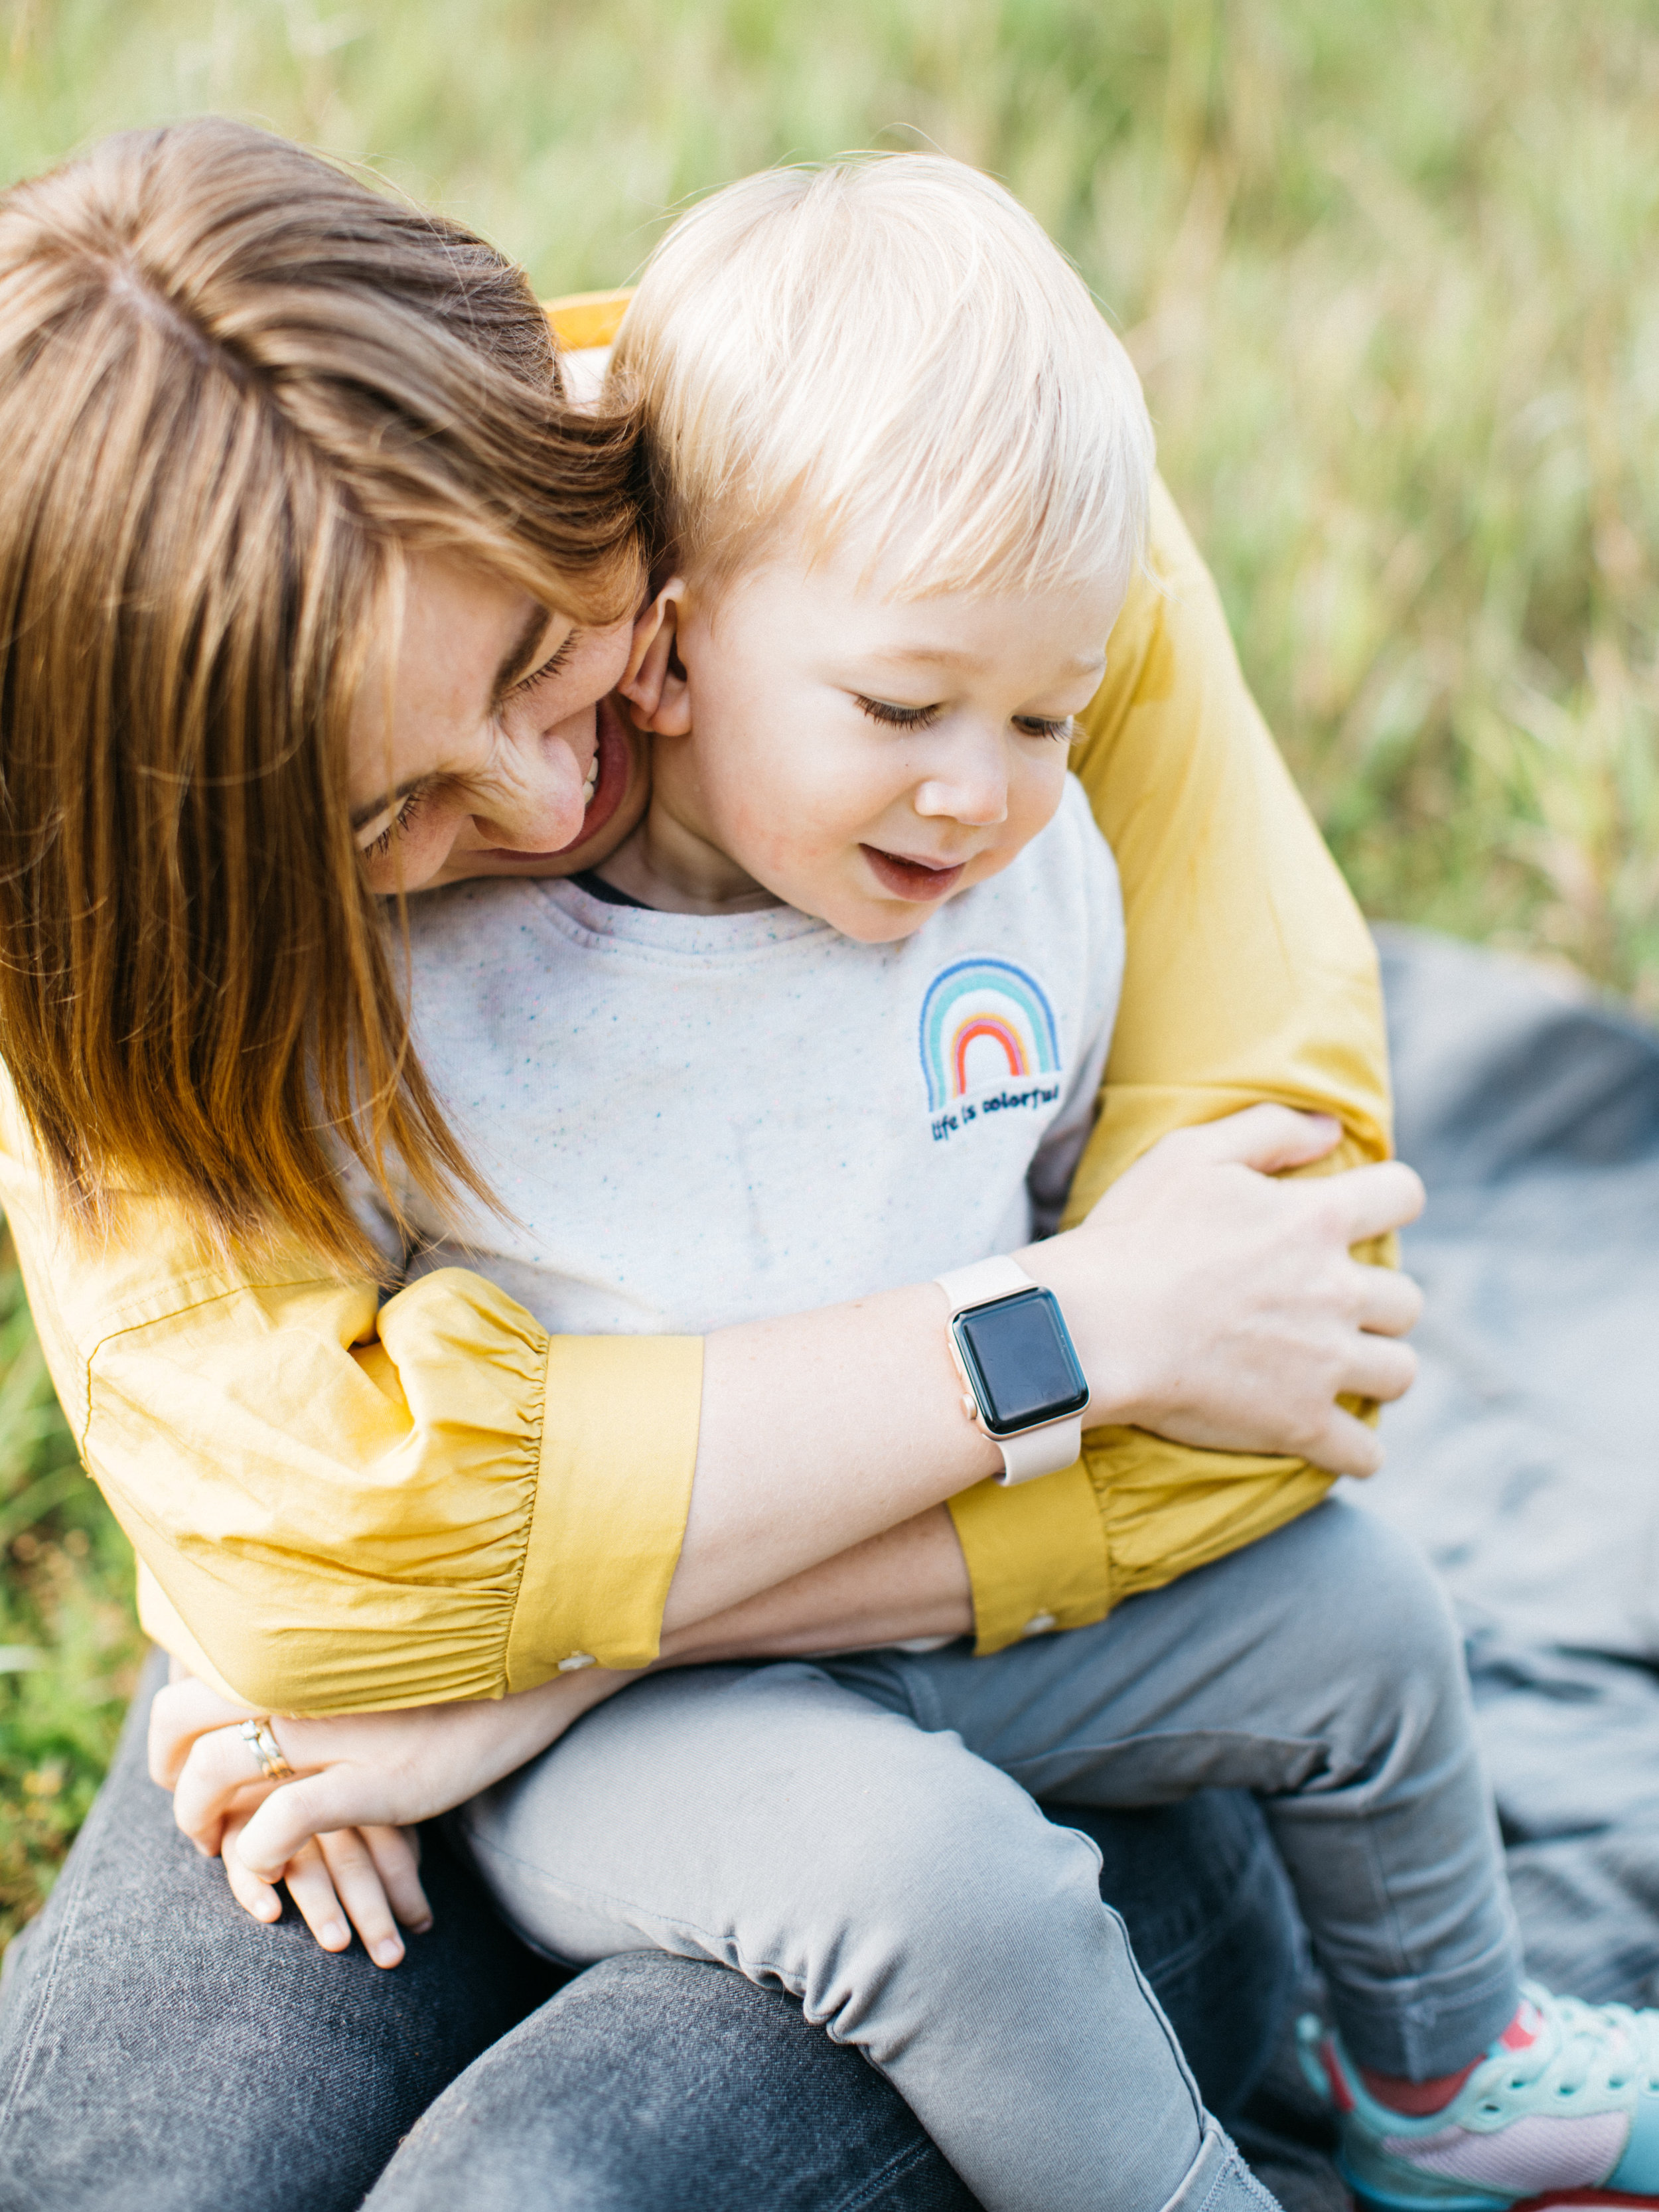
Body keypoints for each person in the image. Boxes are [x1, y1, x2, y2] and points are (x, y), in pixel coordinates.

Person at [166, 157, 1659, 2212]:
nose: (982, 785)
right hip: (607, 1730)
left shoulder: (1011, 884)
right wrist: (311, 1671)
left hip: (943, 1570)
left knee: (1369, 1619)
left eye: (1047, 709)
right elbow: (280, 1439)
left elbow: (1165, 1264)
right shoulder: (451, 991)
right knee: (938, 1883)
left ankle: (1437, 2072)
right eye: (903, 708)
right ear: (668, 654)